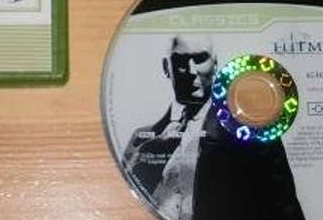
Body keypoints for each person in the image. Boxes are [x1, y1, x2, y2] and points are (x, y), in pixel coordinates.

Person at [122, 34, 305, 220]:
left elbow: (285, 212)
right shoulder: (141, 139)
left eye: (200, 59)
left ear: (215, 64)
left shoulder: (253, 134)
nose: (191, 70)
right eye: (181, 61)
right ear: (166, 67)